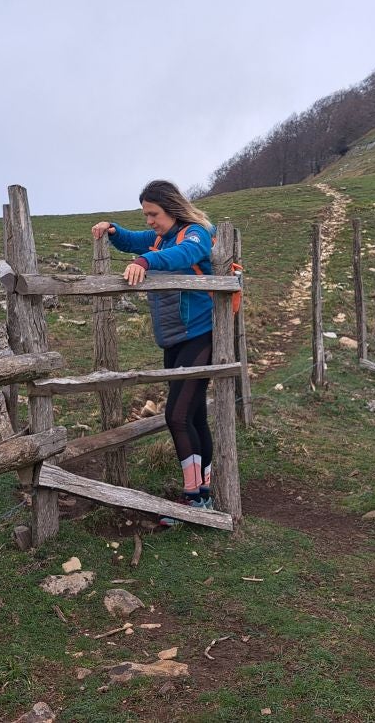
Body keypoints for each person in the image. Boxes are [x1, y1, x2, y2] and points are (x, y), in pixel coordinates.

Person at [92, 180, 215, 525]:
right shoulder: (162, 236)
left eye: (153, 214)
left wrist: (145, 262)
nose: (149, 221)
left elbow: (184, 256)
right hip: (175, 337)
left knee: (177, 415)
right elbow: (133, 239)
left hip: (199, 335)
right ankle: (203, 493)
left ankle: (194, 500)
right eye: (145, 214)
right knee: (194, 415)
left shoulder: (194, 234)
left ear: (171, 210)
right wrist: (113, 230)